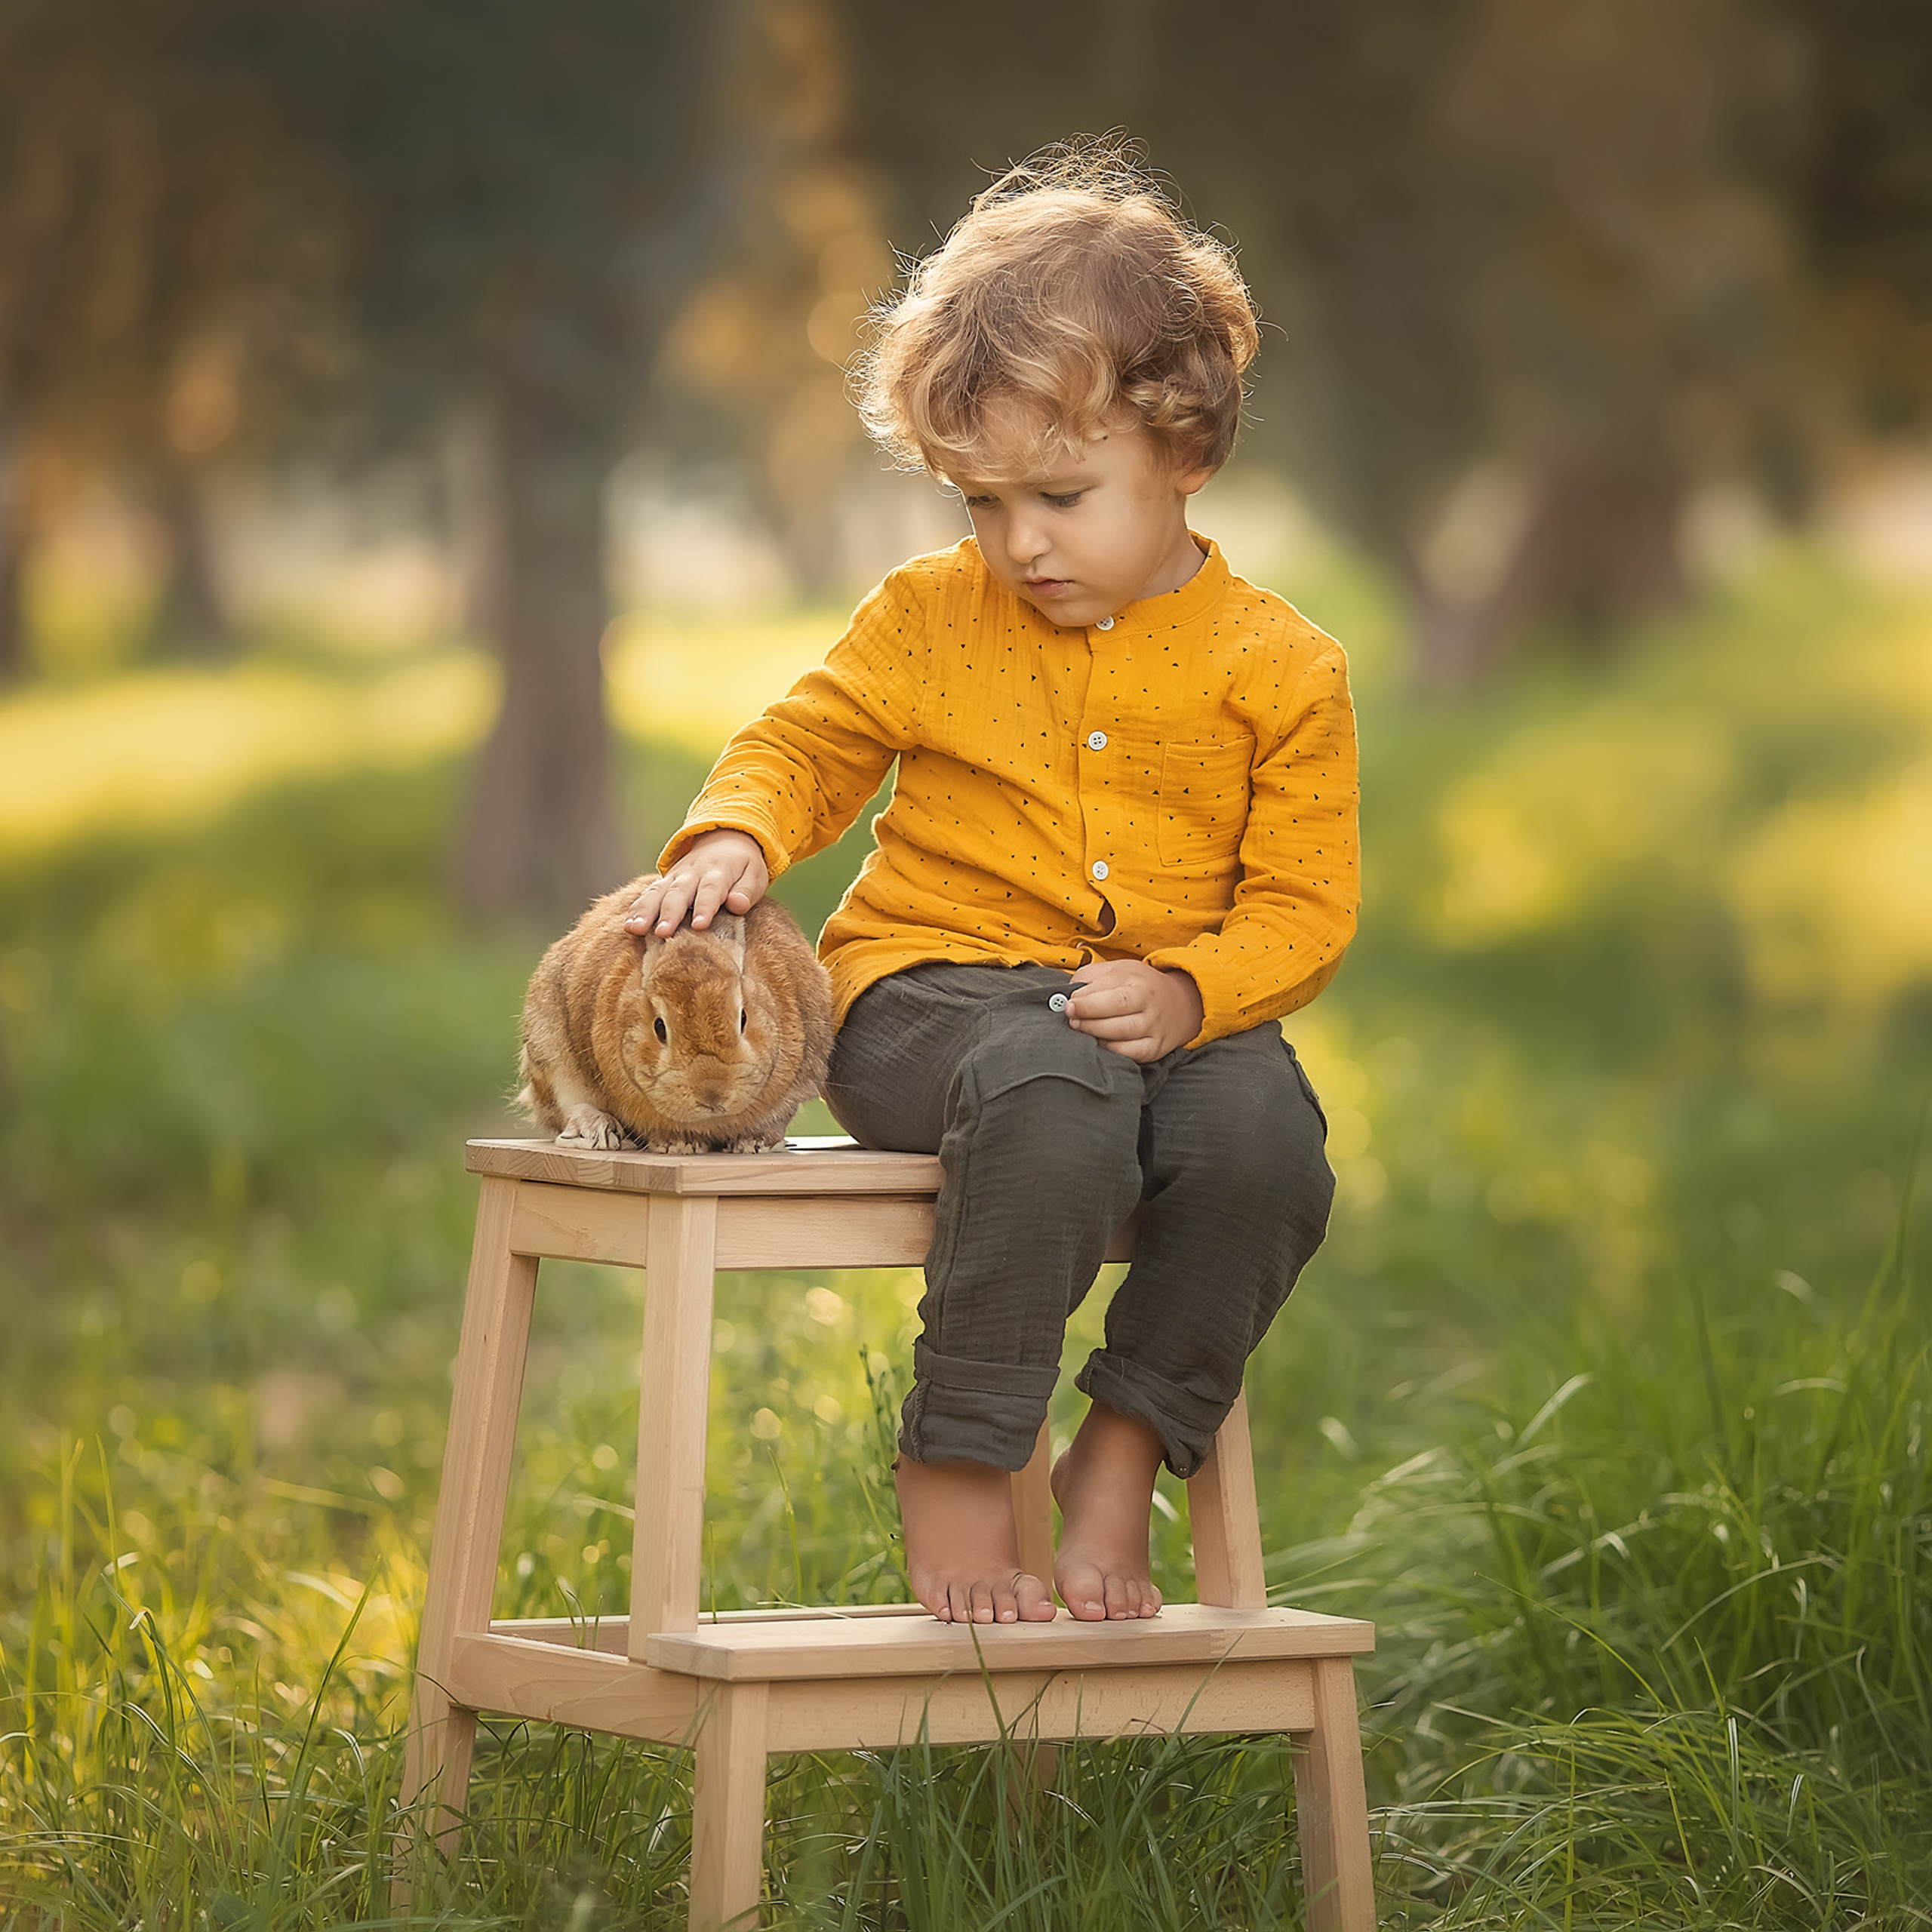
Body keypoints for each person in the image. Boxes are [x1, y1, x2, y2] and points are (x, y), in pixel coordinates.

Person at [625, 143, 1358, 1627]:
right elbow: (805, 741)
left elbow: (1300, 906)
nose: (1017, 542)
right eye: (980, 501)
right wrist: (733, 835)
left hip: (1170, 1014)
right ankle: (959, 1459)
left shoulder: (1283, 668)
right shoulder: (927, 617)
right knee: (1049, 1080)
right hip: (927, 1004)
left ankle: (1125, 1445)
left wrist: (1191, 988)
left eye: (1062, 494)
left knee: (1268, 1137)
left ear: (1186, 451)